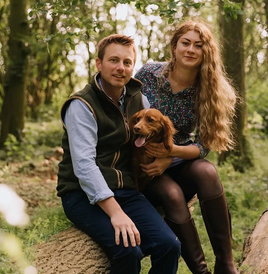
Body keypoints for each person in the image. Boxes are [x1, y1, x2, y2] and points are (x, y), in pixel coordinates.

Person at [56, 34, 181, 274]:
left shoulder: (138, 99)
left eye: (127, 62)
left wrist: (167, 157)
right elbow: (84, 166)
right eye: (114, 60)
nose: (120, 68)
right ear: (99, 64)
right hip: (81, 193)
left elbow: (158, 133)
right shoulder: (81, 105)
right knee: (128, 250)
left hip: (125, 188)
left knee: (169, 245)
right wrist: (116, 213)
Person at [134, 20, 239, 274]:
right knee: (171, 194)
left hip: (180, 158)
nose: (191, 49)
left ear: (206, 52)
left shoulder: (211, 89)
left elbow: (204, 146)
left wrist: (171, 154)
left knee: (207, 171)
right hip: (146, 164)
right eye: (186, 43)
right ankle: (201, 272)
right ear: (175, 46)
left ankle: (226, 264)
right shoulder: (147, 74)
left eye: (198, 45)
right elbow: (128, 114)